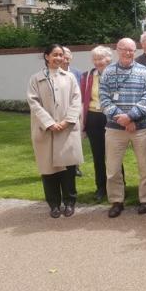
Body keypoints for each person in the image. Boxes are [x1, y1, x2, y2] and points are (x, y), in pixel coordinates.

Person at [100, 38, 146, 218]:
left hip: (141, 128)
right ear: (117, 49)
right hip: (115, 129)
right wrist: (123, 119)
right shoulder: (107, 72)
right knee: (113, 168)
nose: (127, 52)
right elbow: (104, 100)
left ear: (135, 50)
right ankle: (117, 200)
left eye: (131, 50)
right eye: (124, 49)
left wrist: (130, 117)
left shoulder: (144, 71)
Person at [27, 44, 83, 218]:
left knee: (68, 169)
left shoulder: (70, 77)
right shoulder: (35, 79)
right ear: (46, 56)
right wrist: (50, 123)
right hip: (46, 131)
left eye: (61, 55)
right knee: (48, 169)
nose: (59, 58)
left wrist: (67, 121)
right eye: (55, 55)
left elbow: (76, 99)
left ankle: (69, 202)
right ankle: (53, 204)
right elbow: (33, 102)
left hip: (67, 129)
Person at [80, 45, 117, 202]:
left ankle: (117, 187)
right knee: (98, 155)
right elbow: (82, 100)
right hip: (94, 118)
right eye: (95, 59)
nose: (98, 62)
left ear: (109, 59)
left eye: (101, 58)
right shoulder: (88, 76)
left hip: (112, 117)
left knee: (115, 155)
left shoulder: (117, 74)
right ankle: (101, 188)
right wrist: (82, 123)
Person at [62, 46, 84, 177]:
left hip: (76, 110)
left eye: (68, 56)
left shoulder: (77, 73)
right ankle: (61, 166)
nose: (66, 58)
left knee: (76, 140)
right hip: (61, 111)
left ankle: (75, 167)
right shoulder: (54, 72)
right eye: (64, 55)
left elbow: (82, 91)